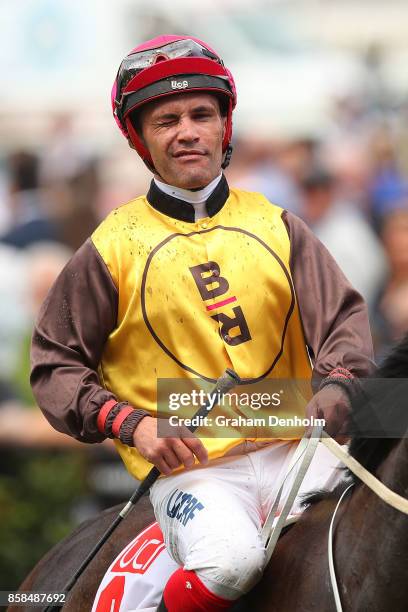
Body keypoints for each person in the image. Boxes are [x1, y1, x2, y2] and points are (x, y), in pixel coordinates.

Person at [30, 35, 374, 611]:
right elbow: (54, 366)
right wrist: (135, 425)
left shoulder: (280, 225)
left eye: (201, 115)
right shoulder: (110, 247)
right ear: (142, 140)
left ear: (224, 127)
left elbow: (343, 323)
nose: (187, 130)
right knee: (230, 562)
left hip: (301, 451)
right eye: (167, 120)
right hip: (196, 472)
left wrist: (339, 383)